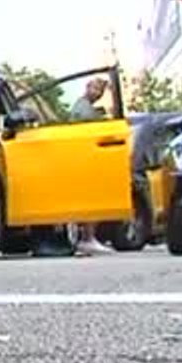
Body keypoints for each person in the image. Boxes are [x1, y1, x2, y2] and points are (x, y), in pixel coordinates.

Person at [68, 78, 115, 257]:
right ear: (87, 87)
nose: (98, 93)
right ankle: (88, 238)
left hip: (84, 158)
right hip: (84, 158)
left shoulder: (85, 106)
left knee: (90, 198)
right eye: (96, 88)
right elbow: (89, 128)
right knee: (92, 198)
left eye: (101, 90)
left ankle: (87, 238)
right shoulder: (83, 107)